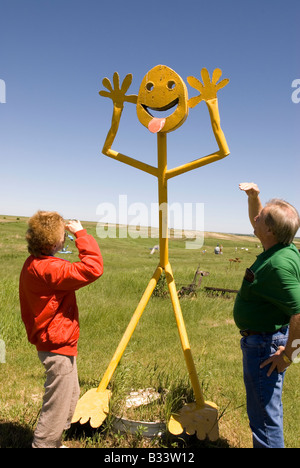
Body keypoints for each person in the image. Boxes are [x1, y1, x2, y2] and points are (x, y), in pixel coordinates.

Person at [19, 211, 104, 448]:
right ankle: (44, 444)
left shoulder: (34, 264)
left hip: (55, 341)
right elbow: (93, 268)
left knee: (70, 392)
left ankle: (54, 440)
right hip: (56, 344)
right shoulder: (52, 269)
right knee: (57, 401)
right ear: (55, 242)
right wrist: (80, 234)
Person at [234, 183, 300, 449]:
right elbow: (258, 219)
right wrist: (254, 197)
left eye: (261, 218)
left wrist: (289, 357)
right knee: (266, 412)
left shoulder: (277, 265)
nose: (255, 217)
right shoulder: (284, 247)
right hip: (265, 341)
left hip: (264, 346)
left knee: (264, 421)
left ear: (270, 230)